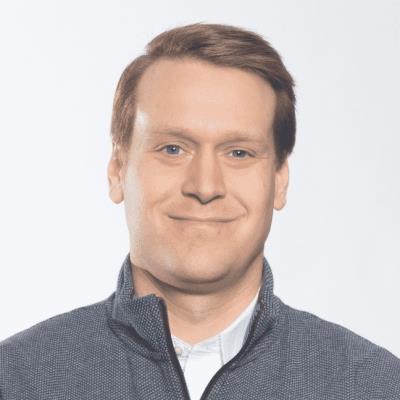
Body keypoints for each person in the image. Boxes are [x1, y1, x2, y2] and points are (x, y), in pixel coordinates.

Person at [0, 22, 399, 400]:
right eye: (173, 149)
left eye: (239, 153)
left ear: (280, 181)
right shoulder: (16, 378)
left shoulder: (375, 385)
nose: (205, 187)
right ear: (117, 171)